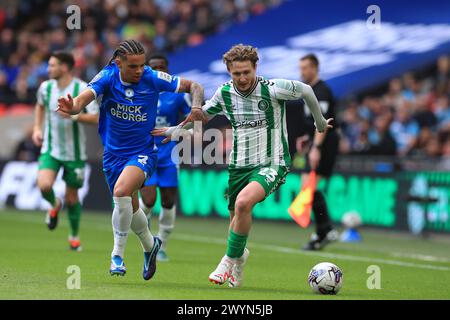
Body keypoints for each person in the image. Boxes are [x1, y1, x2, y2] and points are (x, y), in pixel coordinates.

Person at [153, 44, 332, 288]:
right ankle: (239, 260)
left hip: (272, 161)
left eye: (246, 72)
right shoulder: (224, 93)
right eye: (237, 73)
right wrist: (176, 130)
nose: (243, 78)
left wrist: (319, 123)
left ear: (255, 67)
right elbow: (202, 116)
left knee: (243, 203)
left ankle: (228, 260)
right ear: (229, 71)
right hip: (239, 166)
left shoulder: (272, 89)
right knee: (236, 220)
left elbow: (308, 91)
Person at [56, 39, 204, 280]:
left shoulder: (152, 77)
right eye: (133, 66)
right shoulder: (107, 76)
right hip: (112, 156)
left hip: (143, 153)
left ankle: (117, 255)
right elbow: (83, 99)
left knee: (121, 193)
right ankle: (150, 245)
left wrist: (196, 107)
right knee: (131, 208)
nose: (139, 71)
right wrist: (73, 107)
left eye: (141, 65)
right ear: (118, 63)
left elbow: (195, 86)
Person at [32, 51, 99, 251]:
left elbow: (96, 118)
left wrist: (74, 116)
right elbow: (40, 106)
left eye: (52, 65)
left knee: (72, 198)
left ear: (65, 67)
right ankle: (54, 205)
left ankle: (74, 236)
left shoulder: (81, 88)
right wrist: (37, 128)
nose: (48, 69)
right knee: (44, 185)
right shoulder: (46, 88)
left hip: (74, 153)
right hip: (51, 149)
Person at [139, 53, 192, 262]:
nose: (159, 71)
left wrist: (177, 130)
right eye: (154, 68)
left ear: (168, 70)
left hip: (170, 154)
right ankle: (147, 241)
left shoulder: (178, 94)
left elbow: (193, 117)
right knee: (149, 200)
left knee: (169, 201)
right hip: (145, 153)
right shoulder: (140, 91)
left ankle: (162, 243)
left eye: (162, 67)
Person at [286, 54, 340, 251]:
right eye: (301, 68)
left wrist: (316, 148)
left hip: (325, 143)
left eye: (306, 67)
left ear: (315, 68)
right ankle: (324, 230)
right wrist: (307, 138)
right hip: (316, 141)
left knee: (310, 186)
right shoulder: (310, 91)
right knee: (307, 187)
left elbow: (324, 123)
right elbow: (313, 122)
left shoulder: (322, 91)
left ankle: (324, 231)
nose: (302, 72)